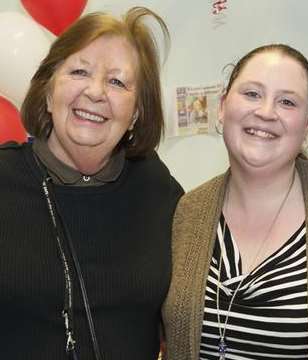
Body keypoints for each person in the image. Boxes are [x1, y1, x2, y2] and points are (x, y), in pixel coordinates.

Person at [162, 44, 308, 359]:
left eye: (287, 101)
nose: (266, 112)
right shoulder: (189, 212)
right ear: (222, 106)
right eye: (252, 94)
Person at [0, 7, 183, 360]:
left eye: (117, 82)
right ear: (49, 93)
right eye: (80, 71)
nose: (95, 91)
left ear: (137, 113)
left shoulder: (158, 190)